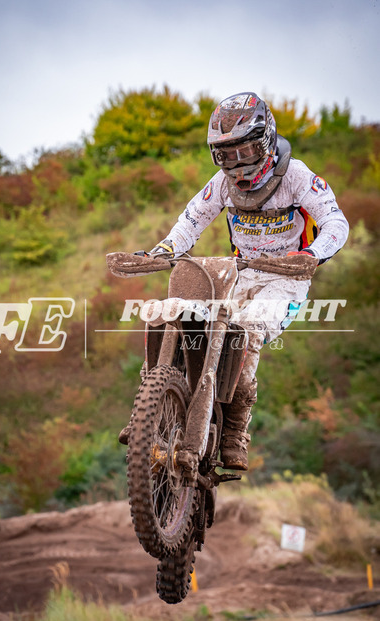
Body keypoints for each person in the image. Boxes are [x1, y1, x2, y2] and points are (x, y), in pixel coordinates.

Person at [119, 92, 349, 471]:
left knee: (248, 330)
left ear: (267, 141)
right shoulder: (223, 184)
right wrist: (162, 250)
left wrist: (312, 255)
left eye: (245, 151)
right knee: (183, 318)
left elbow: (335, 222)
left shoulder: (296, 176)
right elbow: (192, 219)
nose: (237, 164)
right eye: (226, 155)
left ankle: (236, 429)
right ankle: (148, 411)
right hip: (239, 272)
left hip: (286, 277)